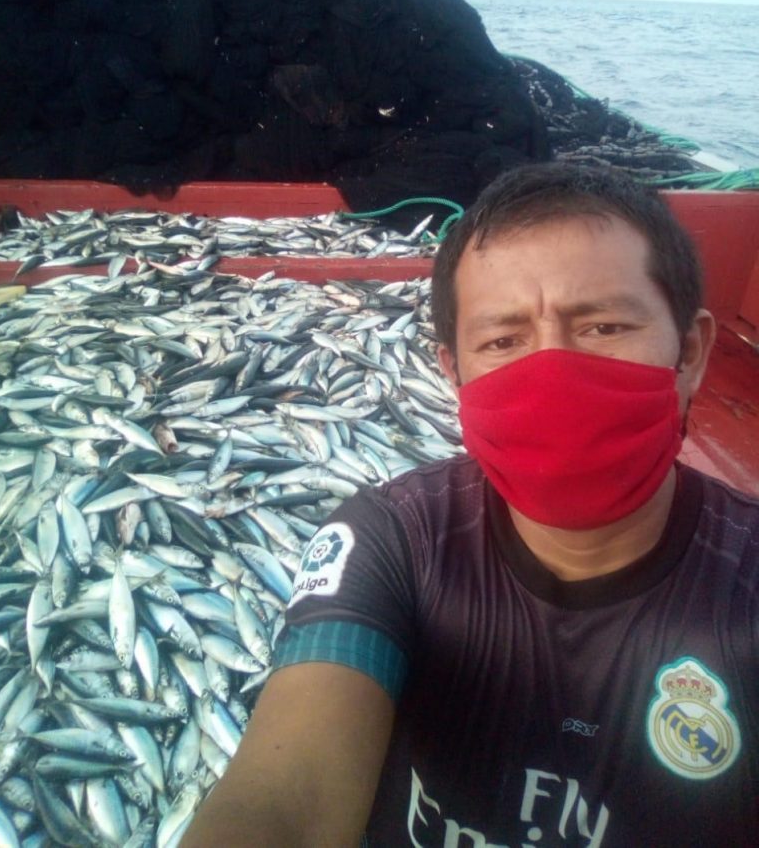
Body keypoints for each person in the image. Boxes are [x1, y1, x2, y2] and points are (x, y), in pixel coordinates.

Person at [181, 162, 759, 848]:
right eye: (502, 341)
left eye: (603, 327)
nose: (552, 370)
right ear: (453, 371)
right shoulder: (395, 540)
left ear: (689, 353)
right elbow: (287, 801)